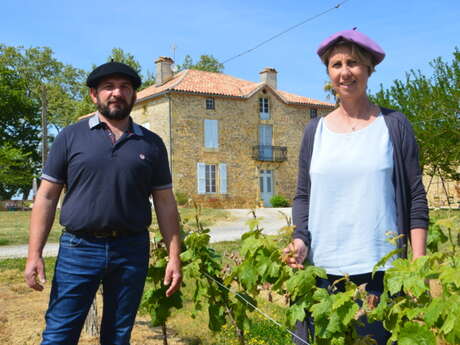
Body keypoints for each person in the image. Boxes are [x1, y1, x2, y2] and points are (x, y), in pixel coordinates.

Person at [284, 29, 428, 345]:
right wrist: (299, 239)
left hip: (379, 275)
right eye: (336, 64)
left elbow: (415, 194)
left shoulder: (394, 125)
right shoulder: (314, 131)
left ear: (368, 70)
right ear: (328, 73)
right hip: (321, 273)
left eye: (354, 63)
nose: (345, 72)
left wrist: (418, 260)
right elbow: (303, 195)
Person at [24, 61, 182, 345]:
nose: (116, 93)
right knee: (59, 335)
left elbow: (166, 204)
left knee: (118, 337)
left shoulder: (151, 144)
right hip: (78, 249)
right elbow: (46, 197)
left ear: (134, 94)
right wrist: (34, 254)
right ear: (94, 95)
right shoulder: (71, 136)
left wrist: (174, 257)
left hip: (131, 251)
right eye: (108, 87)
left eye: (124, 87)